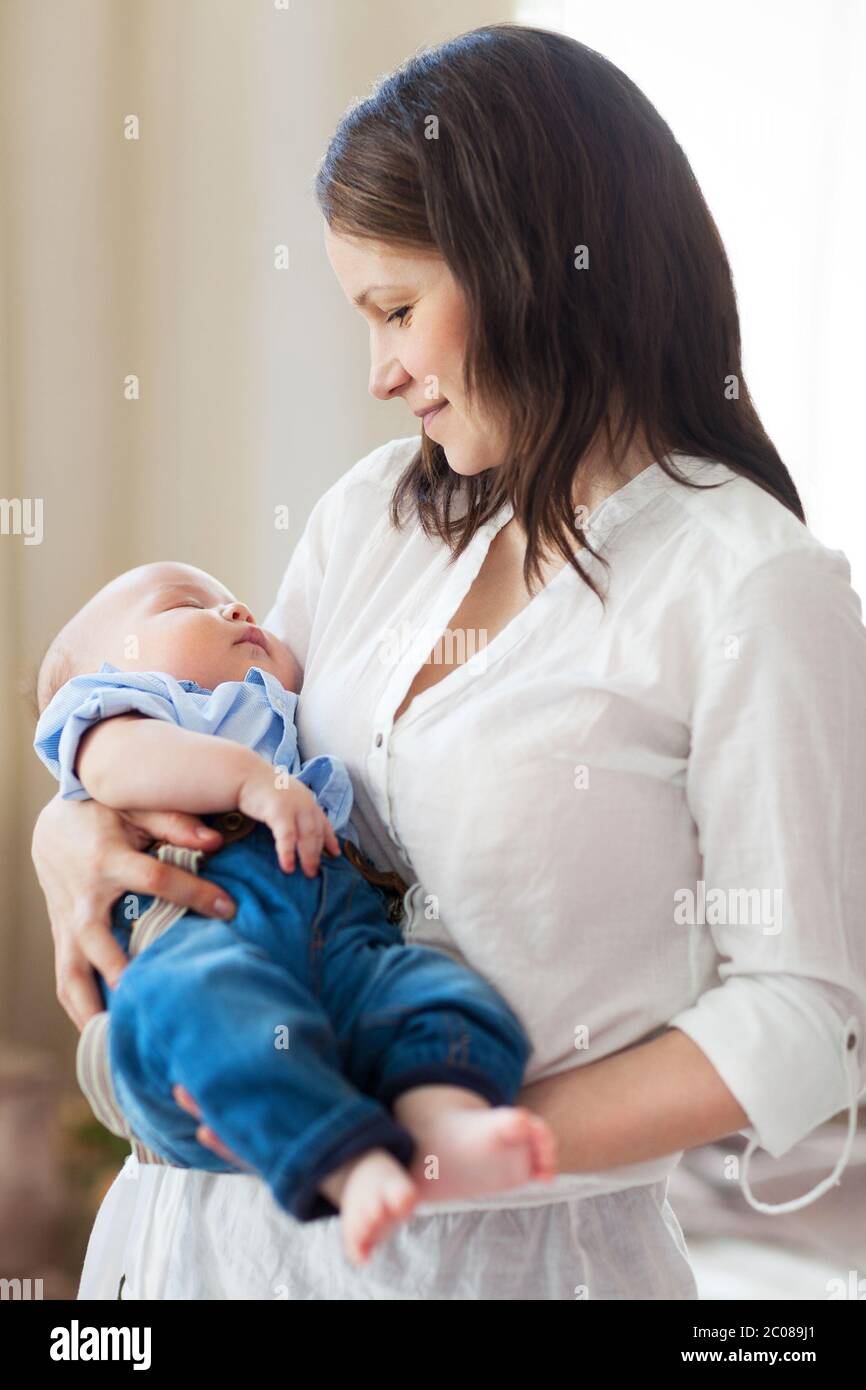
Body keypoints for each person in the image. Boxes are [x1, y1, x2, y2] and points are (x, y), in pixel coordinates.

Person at [30, 24, 866, 1299]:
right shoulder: (375, 514)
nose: (380, 373)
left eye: (397, 309)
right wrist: (73, 827)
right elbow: (224, 748)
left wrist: (448, 1151)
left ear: (533, 269)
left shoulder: (749, 588)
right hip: (194, 1250)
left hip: (504, 1264)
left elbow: (804, 1016)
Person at [31, 559, 555, 1267]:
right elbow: (116, 770)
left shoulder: (283, 723)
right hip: (199, 954)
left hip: (338, 953)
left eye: (231, 598)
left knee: (440, 989)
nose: (238, 609)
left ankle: (440, 1121)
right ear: (106, 671)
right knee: (206, 1007)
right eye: (185, 604)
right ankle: (347, 1162)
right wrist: (252, 781)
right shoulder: (121, 713)